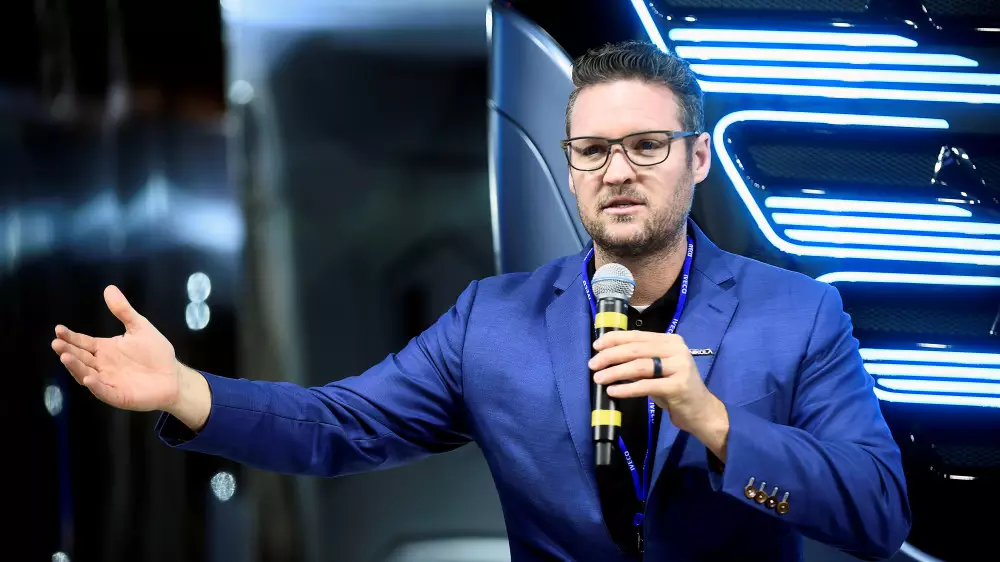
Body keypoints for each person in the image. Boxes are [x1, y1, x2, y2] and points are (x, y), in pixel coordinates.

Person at [51, 40, 911, 561]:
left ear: (698, 159)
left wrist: (715, 424)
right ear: (570, 167)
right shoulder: (492, 322)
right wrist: (186, 391)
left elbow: (877, 513)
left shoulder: (797, 314)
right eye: (592, 150)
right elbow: (339, 426)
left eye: (647, 145)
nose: (617, 170)